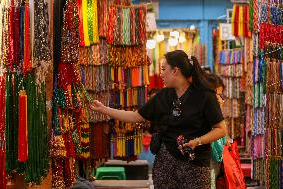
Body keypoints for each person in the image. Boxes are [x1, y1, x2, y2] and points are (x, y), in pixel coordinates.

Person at [90, 50, 227, 189]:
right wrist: (104, 109)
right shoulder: (162, 96)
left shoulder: (204, 96)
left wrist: (198, 141)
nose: (160, 74)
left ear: (175, 71)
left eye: (163, 69)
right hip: (165, 165)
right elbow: (135, 116)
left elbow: (221, 129)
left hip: (196, 165)